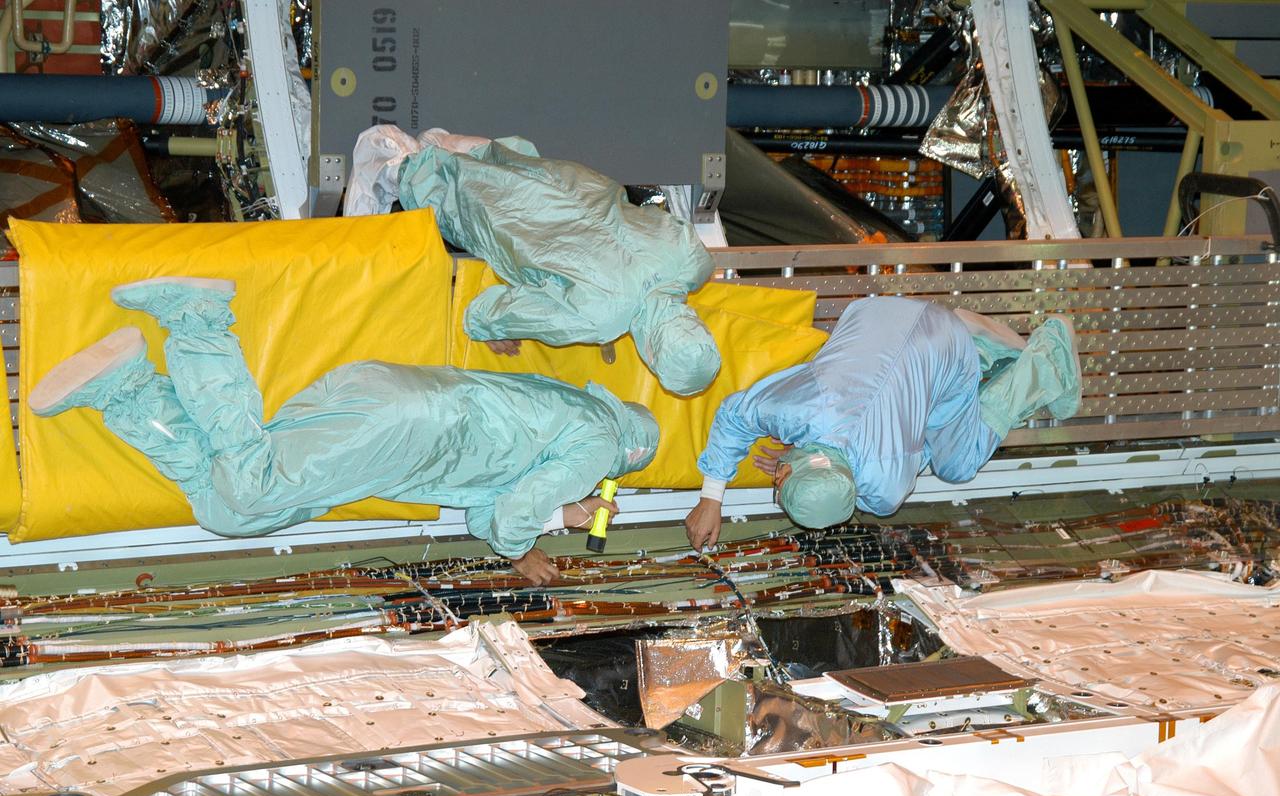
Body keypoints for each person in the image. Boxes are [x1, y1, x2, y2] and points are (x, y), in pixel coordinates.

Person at [29, 277, 660, 585]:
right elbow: (511, 519)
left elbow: (483, 514)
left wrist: (566, 513)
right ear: (629, 457)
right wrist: (524, 550)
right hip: (402, 433)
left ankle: (129, 391)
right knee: (253, 485)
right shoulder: (600, 446)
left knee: (230, 512)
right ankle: (197, 318)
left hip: (386, 406)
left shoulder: (575, 411)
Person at [345, 126, 721, 396]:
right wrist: (487, 326)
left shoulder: (692, 261)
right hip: (516, 217)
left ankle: (441, 146)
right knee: (442, 190)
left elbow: (650, 229)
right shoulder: (602, 316)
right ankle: (391, 157)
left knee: (503, 162)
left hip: (567, 181)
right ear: (652, 355)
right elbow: (498, 310)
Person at [684, 296, 1080, 550]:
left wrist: (809, 461)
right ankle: (1007, 350)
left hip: (909, 329)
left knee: (956, 463)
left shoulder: (886, 486)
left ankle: (1031, 355)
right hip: (874, 314)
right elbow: (735, 414)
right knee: (950, 452)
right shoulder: (797, 414)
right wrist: (712, 498)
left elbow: (917, 443)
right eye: (780, 482)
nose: (776, 477)